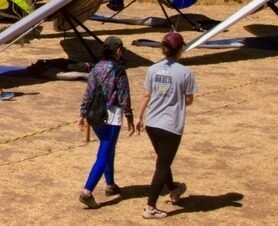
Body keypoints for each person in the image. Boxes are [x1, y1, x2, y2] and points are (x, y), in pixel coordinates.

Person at [135, 32, 196, 219]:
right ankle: (150, 206)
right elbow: (189, 99)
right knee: (162, 165)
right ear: (180, 49)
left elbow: (146, 95)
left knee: (164, 160)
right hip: (171, 125)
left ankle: (174, 189)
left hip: (152, 122)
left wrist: (139, 117)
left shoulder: (153, 69)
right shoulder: (185, 73)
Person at [77, 36, 135, 209]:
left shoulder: (96, 68)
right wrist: (129, 117)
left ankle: (110, 184)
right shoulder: (119, 70)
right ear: (117, 51)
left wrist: (83, 112)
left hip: (94, 115)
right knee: (104, 152)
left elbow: (89, 92)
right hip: (111, 115)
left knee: (108, 148)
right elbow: (124, 96)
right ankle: (87, 191)